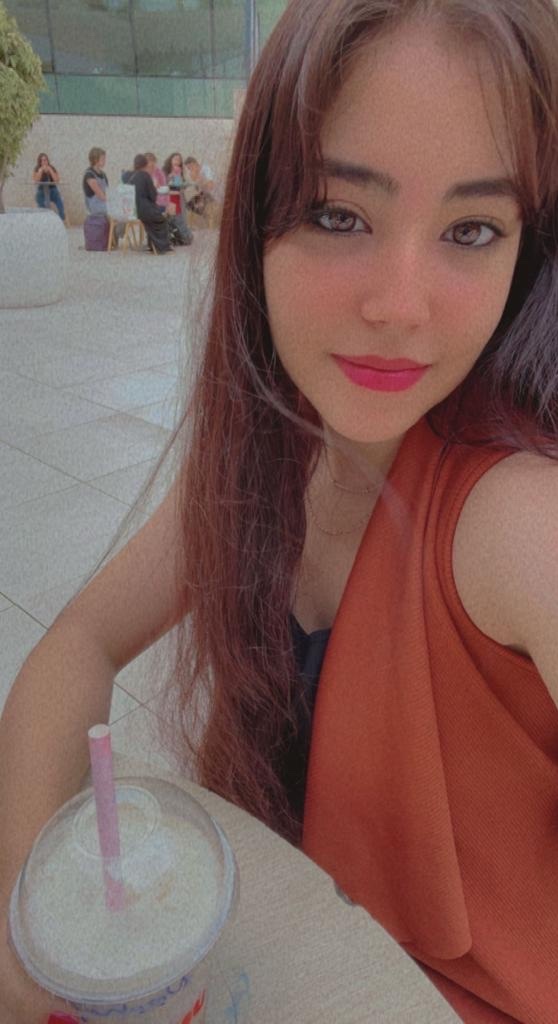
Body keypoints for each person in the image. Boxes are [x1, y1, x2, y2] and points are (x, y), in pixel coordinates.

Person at [2, 1, 558, 1021]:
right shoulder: (273, 455)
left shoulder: (518, 517)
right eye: (339, 214)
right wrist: (21, 939)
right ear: (256, 218)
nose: (399, 305)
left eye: (471, 229)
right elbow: (75, 643)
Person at [122, 153, 173, 254]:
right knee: (161, 220)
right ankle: (161, 247)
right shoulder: (145, 176)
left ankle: (153, 246)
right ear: (145, 164)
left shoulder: (129, 176)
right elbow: (153, 196)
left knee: (153, 219)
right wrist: (154, 187)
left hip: (132, 210)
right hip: (144, 209)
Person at [145, 152, 193, 246]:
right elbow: (161, 187)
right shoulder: (162, 172)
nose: (177, 161)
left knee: (183, 230)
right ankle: (174, 235)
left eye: (179, 160)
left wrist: (178, 178)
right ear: (170, 160)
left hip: (173, 199)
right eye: (175, 159)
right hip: (165, 200)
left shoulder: (178, 171)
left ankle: (178, 235)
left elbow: (178, 186)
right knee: (171, 216)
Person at [32, 153, 65, 221]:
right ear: (39, 162)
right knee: (39, 200)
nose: (44, 162)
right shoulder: (37, 168)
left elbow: (57, 180)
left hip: (52, 190)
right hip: (41, 190)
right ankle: (45, 219)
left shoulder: (52, 168)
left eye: (45, 160)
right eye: (42, 160)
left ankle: (61, 218)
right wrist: (40, 171)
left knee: (59, 201)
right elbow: (36, 180)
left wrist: (50, 171)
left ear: (47, 160)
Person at [82, 147, 109, 216]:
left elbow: (107, 192)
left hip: (104, 203)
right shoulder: (89, 175)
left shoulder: (103, 174)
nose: (105, 161)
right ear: (95, 160)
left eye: (105, 159)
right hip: (94, 206)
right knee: (117, 210)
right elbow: (101, 195)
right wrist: (113, 203)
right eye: (103, 159)